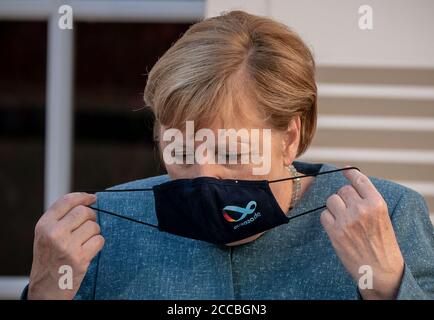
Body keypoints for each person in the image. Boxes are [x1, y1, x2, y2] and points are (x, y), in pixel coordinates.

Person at [24, 10, 434, 300]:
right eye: (181, 151)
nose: (204, 175)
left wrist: (389, 288)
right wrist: (44, 292)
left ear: (289, 137)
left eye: (232, 152)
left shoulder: (389, 217)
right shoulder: (104, 231)